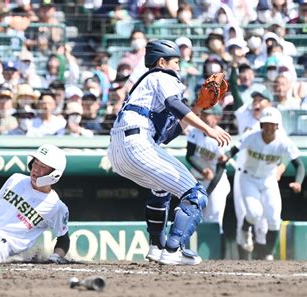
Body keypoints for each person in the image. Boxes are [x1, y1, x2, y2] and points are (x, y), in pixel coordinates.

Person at [107, 40, 231, 266]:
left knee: (161, 188)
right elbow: (174, 105)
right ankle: (174, 249)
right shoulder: (162, 76)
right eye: (176, 61)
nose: (180, 67)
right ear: (161, 62)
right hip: (136, 143)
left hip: (119, 151)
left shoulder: (146, 88)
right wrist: (208, 129)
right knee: (196, 195)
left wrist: (198, 108)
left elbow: (166, 135)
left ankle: (157, 246)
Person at [224, 107, 304, 260]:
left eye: (272, 124)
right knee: (254, 213)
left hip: (269, 179)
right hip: (248, 178)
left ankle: (268, 254)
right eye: (265, 124)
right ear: (261, 125)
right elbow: (233, 150)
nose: (268, 127)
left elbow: (299, 165)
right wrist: (225, 157)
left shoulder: (284, 142)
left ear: (277, 126)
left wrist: (298, 182)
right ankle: (245, 228)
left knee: (274, 218)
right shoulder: (251, 136)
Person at [185, 106, 231, 256]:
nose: (204, 117)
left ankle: (219, 257)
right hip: (198, 180)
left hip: (216, 183)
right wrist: (201, 169)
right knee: (197, 219)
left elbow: (221, 167)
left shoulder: (222, 136)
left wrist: (209, 191)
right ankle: (197, 254)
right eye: (203, 114)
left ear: (217, 117)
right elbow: (189, 155)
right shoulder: (195, 132)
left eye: (208, 115)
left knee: (215, 219)